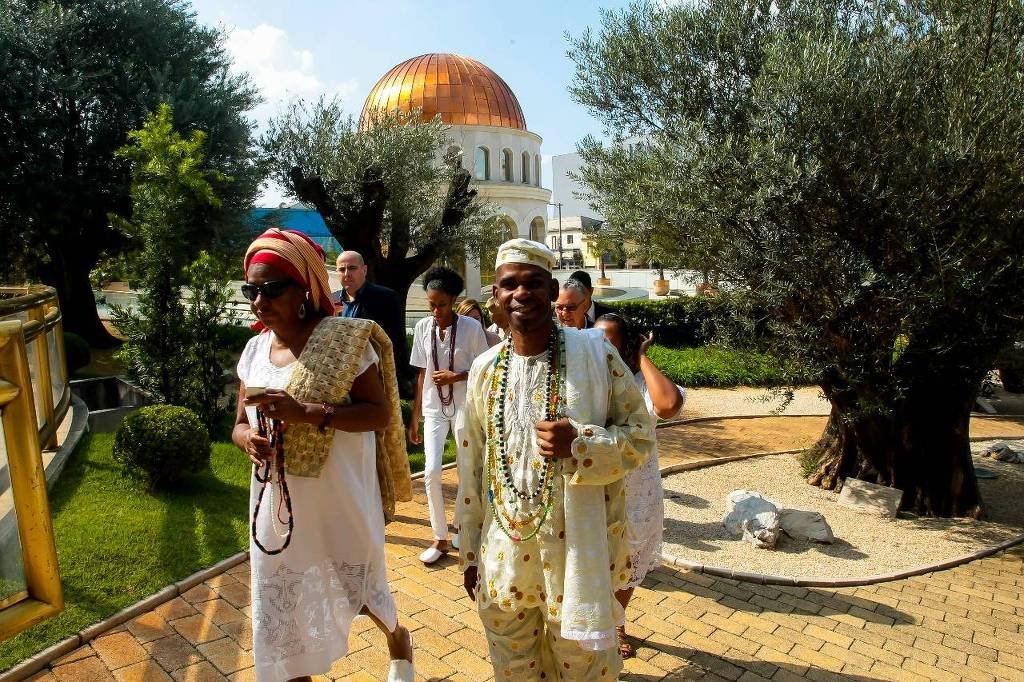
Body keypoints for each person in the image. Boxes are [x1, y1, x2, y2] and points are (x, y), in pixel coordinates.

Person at [456, 238, 655, 680]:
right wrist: (469, 552)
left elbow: (641, 435)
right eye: (509, 284)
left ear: (551, 291)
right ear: (496, 296)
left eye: (533, 283)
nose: (521, 294)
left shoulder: (595, 354)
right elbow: (472, 463)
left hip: (577, 554)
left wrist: (582, 444)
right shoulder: (486, 368)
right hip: (503, 551)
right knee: (513, 667)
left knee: (582, 667)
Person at [233, 228, 415, 682]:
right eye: (251, 290)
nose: (260, 300)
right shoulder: (255, 348)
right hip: (277, 497)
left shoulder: (342, 340)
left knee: (359, 584)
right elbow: (238, 422)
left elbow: (378, 414)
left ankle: (397, 638)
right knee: (283, 602)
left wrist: (306, 412)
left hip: (339, 493)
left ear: (304, 290)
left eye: (272, 289)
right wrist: (245, 440)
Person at [594, 312, 685, 659]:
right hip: (594, 488)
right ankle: (591, 627)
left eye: (610, 342)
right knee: (592, 560)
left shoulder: (640, 383)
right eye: (596, 340)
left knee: (627, 563)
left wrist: (642, 355)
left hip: (637, 491)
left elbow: (668, 404)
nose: (602, 349)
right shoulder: (586, 381)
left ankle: (617, 623)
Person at [408, 267, 489, 564]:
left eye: (441, 304)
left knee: (466, 469)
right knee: (430, 471)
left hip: (465, 405)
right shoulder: (422, 328)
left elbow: (484, 368)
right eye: (431, 304)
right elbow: (421, 374)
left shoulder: (471, 328)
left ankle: (460, 526)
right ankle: (439, 536)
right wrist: (415, 416)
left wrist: (458, 376)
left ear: (453, 300)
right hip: (433, 407)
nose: (435, 310)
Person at [333, 250, 411, 396]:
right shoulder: (332, 300)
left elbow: (396, 340)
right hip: (339, 378)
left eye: (352, 268)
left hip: (373, 377)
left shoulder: (386, 298)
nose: (346, 274)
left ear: (365, 270)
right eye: (342, 269)